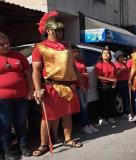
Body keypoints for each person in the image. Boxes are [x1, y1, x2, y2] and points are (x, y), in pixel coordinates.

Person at [32, 11, 83, 157]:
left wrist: (81, 83)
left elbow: (73, 67)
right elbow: (35, 70)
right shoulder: (40, 47)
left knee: (67, 114)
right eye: (58, 30)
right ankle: (43, 144)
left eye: (62, 30)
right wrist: (37, 89)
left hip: (69, 86)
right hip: (51, 86)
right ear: (49, 31)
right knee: (48, 116)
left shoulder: (67, 46)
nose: (61, 32)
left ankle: (68, 138)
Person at [0, 32, 33, 160]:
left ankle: (24, 148)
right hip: (2, 99)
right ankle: (7, 152)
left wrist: (31, 90)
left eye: (7, 42)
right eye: (2, 44)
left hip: (21, 97)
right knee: (5, 125)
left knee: (20, 123)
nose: (6, 45)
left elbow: (28, 74)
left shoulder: (18, 56)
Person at [70, 43, 99, 134]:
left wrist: (88, 83)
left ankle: (88, 124)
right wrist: (83, 75)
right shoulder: (70, 63)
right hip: (77, 86)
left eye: (76, 51)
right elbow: (72, 75)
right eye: (73, 51)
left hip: (84, 86)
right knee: (82, 107)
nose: (75, 53)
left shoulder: (81, 61)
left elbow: (86, 72)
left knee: (86, 106)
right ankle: (84, 125)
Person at [95, 49, 117, 125]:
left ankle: (110, 117)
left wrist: (114, 83)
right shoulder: (99, 64)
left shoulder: (112, 64)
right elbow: (98, 76)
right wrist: (109, 79)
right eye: (104, 53)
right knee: (103, 102)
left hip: (111, 85)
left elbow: (115, 75)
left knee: (111, 101)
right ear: (101, 55)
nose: (106, 54)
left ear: (110, 55)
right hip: (103, 85)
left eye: (107, 53)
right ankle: (102, 118)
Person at [114, 50, 132, 120]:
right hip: (120, 82)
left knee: (127, 97)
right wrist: (120, 70)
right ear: (117, 58)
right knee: (124, 97)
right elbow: (115, 75)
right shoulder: (115, 64)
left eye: (123, 56)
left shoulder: (124, 64)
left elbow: (127, 72)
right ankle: (126, 113)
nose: (123, 58)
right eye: (121, 56)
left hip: (126, 81)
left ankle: (127, 112)